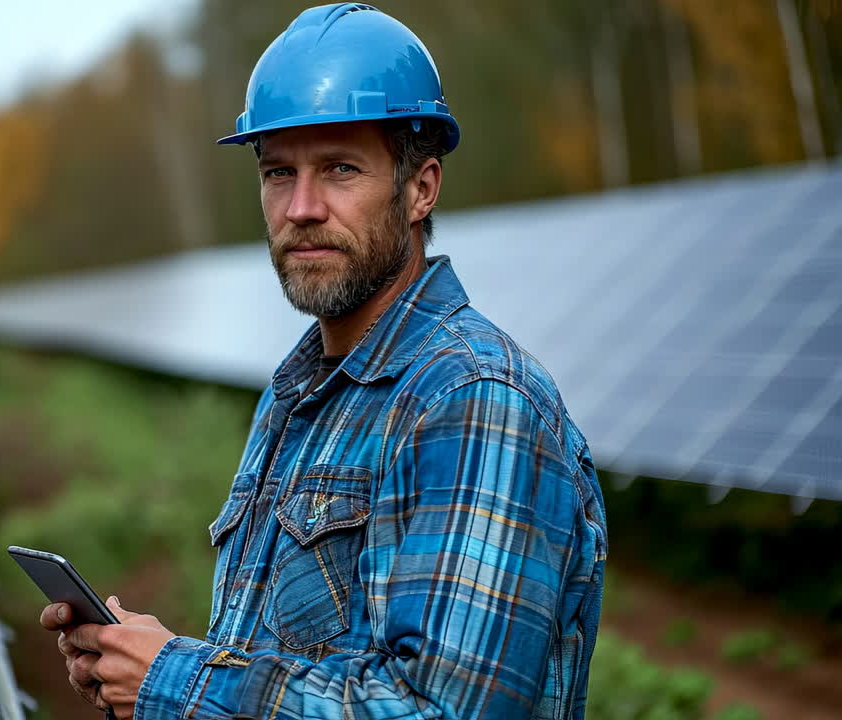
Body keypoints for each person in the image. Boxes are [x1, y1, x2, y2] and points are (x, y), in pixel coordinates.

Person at [39, 4, 608, 718]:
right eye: (279, 174)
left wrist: (175, 681)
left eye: (340, 169)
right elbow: (278, 665)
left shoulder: (473, 398)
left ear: (420, 188)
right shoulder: (296, 394)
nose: (301, 207)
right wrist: (144, 663)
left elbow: (438, 711)